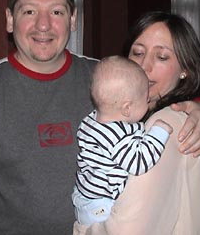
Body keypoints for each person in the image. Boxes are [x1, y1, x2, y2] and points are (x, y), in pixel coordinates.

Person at [0, 0, 200, 235]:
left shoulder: (105, 77)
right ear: (10, 19)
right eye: (29, 11)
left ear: (73, 19)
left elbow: (165, 98)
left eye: (56, 11)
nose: (43, 25)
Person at [74, 11, 200, 234]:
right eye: (138, 53)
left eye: (162, 57)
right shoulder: (126, 113)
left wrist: (82, 229)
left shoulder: (163, 126)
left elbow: (128, 229)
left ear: (185, 70)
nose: (144, 66)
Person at [72, 55, 172, 226]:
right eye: (146, 100)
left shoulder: (91, 120)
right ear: (127, 108)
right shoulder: (117, 135)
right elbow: (139, 162)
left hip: (83, 198)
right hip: (101, 206)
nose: (149, 103)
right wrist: (159, 132)